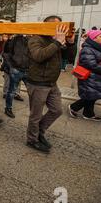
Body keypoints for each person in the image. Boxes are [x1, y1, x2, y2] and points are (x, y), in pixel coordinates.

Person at [25, 16, 68, 153]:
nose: (60, 28)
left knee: (57, 110)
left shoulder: (54, 39)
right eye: (57, 26)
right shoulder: (35, 39)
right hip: (38, 82)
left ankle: (39, 132)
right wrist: (57, 43)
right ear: (47, 25)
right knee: (35, 115)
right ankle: (32, 140)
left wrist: (70, 43)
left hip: (51, 82)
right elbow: (39, 56)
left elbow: (69, 56)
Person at [68, 30, 101, 121]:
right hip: (89, 77)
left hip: (98, 77)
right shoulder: (88, 49)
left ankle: (88, 114)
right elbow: (91, 65)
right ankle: (74, 107)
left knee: (92, 96)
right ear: (93, 38)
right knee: (90, 96)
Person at [3, 34, 29, 118]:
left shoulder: (31, 39)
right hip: (16, 69)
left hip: (27, 70)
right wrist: (11, 66)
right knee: (11, 91)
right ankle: (8, 108)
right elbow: (6, 53)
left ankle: (35, 112)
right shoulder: (15, 39)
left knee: (32, 91)